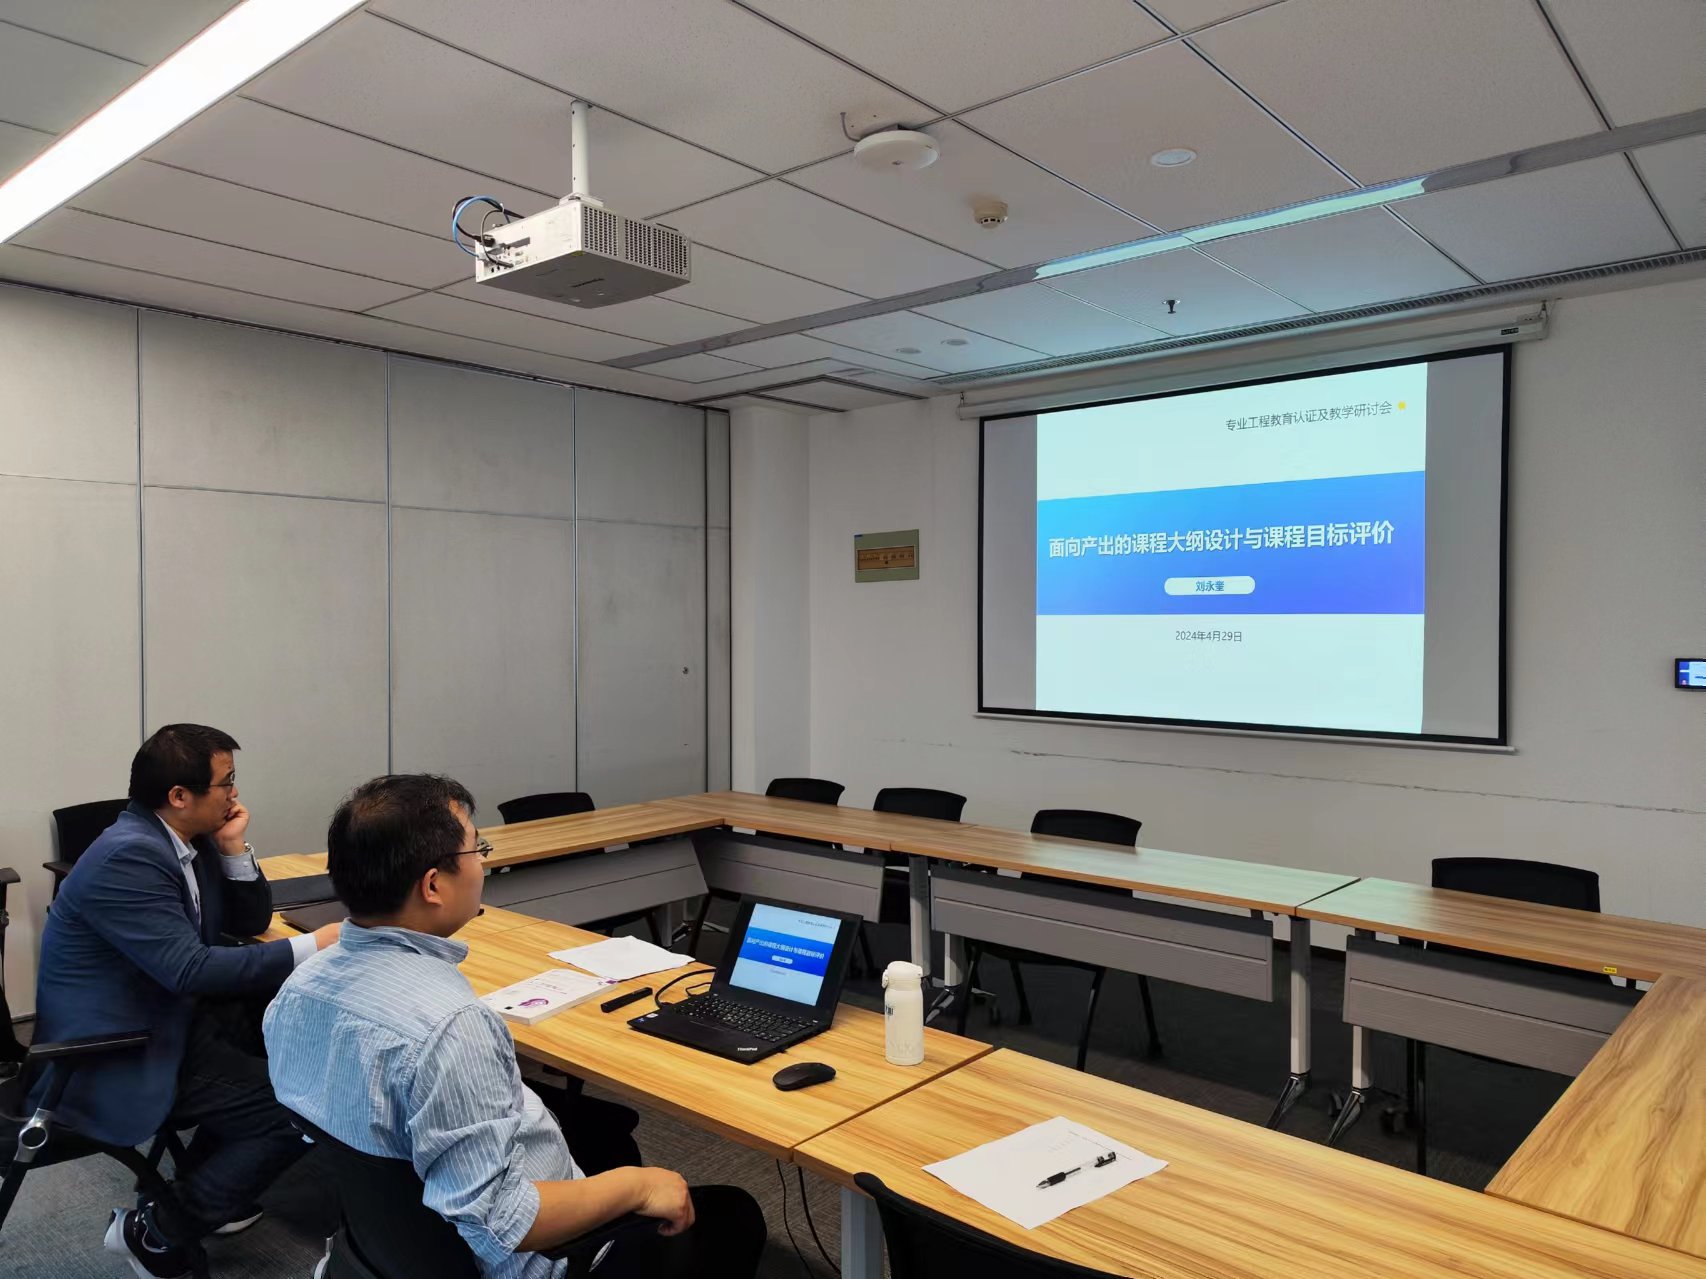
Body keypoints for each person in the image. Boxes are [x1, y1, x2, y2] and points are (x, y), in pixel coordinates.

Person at [264, 774, 767, 1279]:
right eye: (475, 849)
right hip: (528, 1261)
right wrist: (640, 1186)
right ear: (433, 885)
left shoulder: (297, 989)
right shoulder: (452, 1028)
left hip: (386, 1247)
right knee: (734, 1214)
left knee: (603, 1133)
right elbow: (506, 1224)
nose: (483, 863)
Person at [32, 724, 341, 1278]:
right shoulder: (128, 856)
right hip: (112, 1051)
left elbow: (249, 920)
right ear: (179, 796)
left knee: (288, 1045)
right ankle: (158, 1230)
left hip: (168, 1020)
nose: (235, 794)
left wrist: (233, 848)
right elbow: (190, 969)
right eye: (226, 782)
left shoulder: (184, 842)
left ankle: (206, 1189)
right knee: (304, 1105)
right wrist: (316, 945)